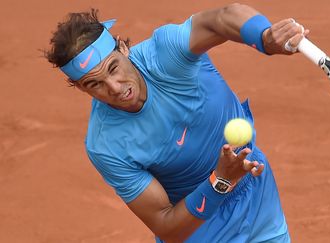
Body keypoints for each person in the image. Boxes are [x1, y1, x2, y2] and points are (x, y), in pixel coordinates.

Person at [45, 3, 307, 243]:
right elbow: (166, 225)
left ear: (123, 49)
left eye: (113, 68)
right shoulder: (106, 145)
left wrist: (263, 38)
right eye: (94, 84)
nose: (114, 88)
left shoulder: (165, 53)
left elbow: (222, 18)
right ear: (81, 88)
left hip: (258, 192)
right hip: (201, 226)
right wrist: (221, 181)